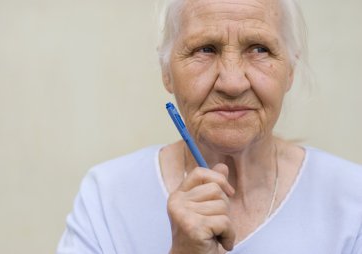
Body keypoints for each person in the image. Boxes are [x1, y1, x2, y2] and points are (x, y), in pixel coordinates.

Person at [56, 0, 362, 253]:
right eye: (205, 49)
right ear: (167, 72)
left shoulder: (352, 199)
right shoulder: (108, 197)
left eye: (259, 48)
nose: (232, 82)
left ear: (291, 70)